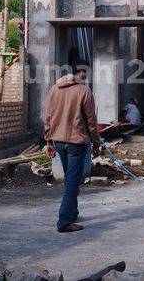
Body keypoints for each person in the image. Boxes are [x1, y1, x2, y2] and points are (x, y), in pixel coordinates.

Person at [44, 60, 100, 233]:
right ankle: (64, 222)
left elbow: (48, 117)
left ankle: (73, 213)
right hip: (76, 142)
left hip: (59, 141)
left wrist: (48, 140)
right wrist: (96, 142)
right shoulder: (84, 91)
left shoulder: (54, 89)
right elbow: (91, 122)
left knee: (70, 178)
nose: (85, 75)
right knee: (72, 182)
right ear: (79, 72)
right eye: (84, 72)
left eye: (86, 72)